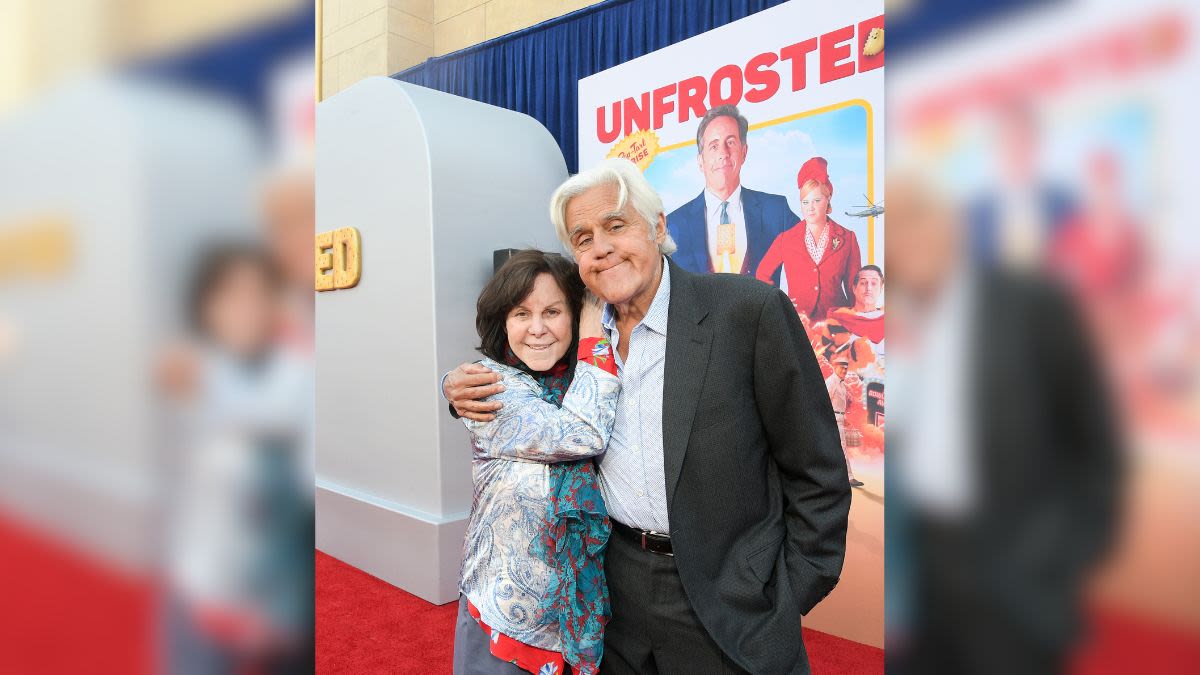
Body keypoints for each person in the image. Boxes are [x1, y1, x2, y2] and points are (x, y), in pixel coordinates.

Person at [445, 159, 849, 674]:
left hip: (728, 594)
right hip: (614, 593)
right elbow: (523, 389)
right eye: (583, 236)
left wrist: (786, 592)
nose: (601, 246)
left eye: (616, 225)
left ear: (658, 227)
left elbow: (817, 469)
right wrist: (454, 389)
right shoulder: (576, 347)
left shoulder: (748, 312)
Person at [886, 170, 1121, 675]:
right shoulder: (893, 323)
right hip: (921, 571)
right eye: (895, 230)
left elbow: (1097, 447)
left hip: (1015, 575)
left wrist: (1058, 562)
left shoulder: (1033, 306)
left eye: (918, 220)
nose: (908, 240)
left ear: (950, 222)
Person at [453, 249, 620, 675]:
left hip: (577, 617)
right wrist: (593, 329)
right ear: (502, 323)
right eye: (521, 314)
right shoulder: (488, 388)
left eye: (553, 311)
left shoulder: (582, 380)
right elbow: (584, 433)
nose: (538, 328)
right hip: (504, 618)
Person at [159, 244, 315, 675]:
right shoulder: (187, 369)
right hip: (201, 583)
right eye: (229, 295)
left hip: (283, 590)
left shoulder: (298, 375)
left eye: (258, 293)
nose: (245, 308)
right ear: (204, 305)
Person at [666, 105, 799, 278]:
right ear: (700, 161)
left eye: (730, 142)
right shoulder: (673, 225)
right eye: (713, 146)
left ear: (743, 152)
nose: (723, 153)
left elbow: (815, 252)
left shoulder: (776, 211)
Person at [755, 157, 862, 321]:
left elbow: (853, 288)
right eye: (805, 202)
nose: (810, 208)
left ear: (828, 199)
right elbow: (762, 274)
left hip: (837, 327)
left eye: (817, 200)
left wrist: (855, 322)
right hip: (798, 324)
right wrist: (778, 307)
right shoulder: (786, 239)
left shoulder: (848, 238)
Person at [825, 353, 865, 488]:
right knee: (841, 448)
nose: (844, 371)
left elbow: (838, 405)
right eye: (841, 368)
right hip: (833, 420)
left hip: (839, 418)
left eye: (846, 369)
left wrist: (845, 418)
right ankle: (849, 477)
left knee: (834, 449)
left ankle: (834, 477)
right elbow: (824, 403)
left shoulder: (841, 384)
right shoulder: (831, 382)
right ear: (835, 367)